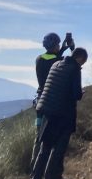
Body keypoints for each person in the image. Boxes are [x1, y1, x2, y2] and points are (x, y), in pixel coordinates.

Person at [29, 47, 88, 179]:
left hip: (47, 111)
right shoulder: (75, 69)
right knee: (57, 151)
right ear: (81, 59)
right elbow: (76, 94)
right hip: (63, 114)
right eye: (83, 63)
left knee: (44, 148)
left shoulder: (56, 64)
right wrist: (81, 92)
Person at [31, 32, 74, 167]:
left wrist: (63, 48)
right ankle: (53, 173)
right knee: (53, 140)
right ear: (55, 45)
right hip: (53, 103)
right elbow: (67, 61)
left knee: (39, 137)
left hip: (40, 101)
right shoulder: (57, 61)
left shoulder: (39, 59)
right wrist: (71, 48)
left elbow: (52, 56)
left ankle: (34, 170)